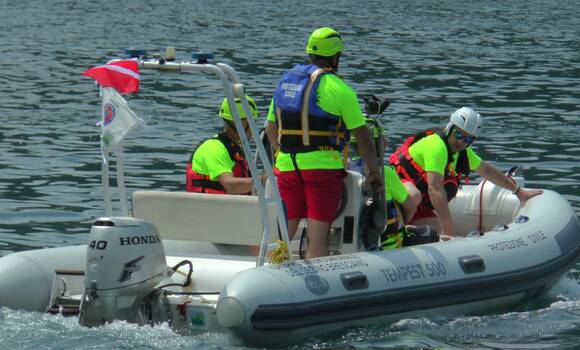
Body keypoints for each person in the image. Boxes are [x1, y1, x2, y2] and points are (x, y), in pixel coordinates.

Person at [265, 27, 383, 258]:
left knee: (285, 232)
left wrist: (284, 155)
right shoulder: (340, 89)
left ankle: (275, 272)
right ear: (336, 56)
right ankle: (313, 287)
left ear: (310, 54)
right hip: (322, 171)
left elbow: (270, 129)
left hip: (288, 167)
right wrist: (375, 172)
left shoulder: (286, 84)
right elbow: (363, 137)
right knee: (318, 234)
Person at [389, 107, 543, 237]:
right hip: (397, 192)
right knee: (414, 196)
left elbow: (486, 170)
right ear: (450, 128)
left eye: (468, 139)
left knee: (433, 232)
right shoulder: (437, 147)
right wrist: (449, 232)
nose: (461, 142)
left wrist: (517, 190)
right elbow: (434, 189)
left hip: (420, 206)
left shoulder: (462, 152)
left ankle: (407, 234)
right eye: (459, 134)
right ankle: (395, 233)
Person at [186, 96, 259, 195]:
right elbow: (230, 185)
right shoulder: (213, 148)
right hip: (209, 208)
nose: (254, 129)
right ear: (241, 124)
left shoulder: (234, 150)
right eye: (252, 123)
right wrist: (263, 181)